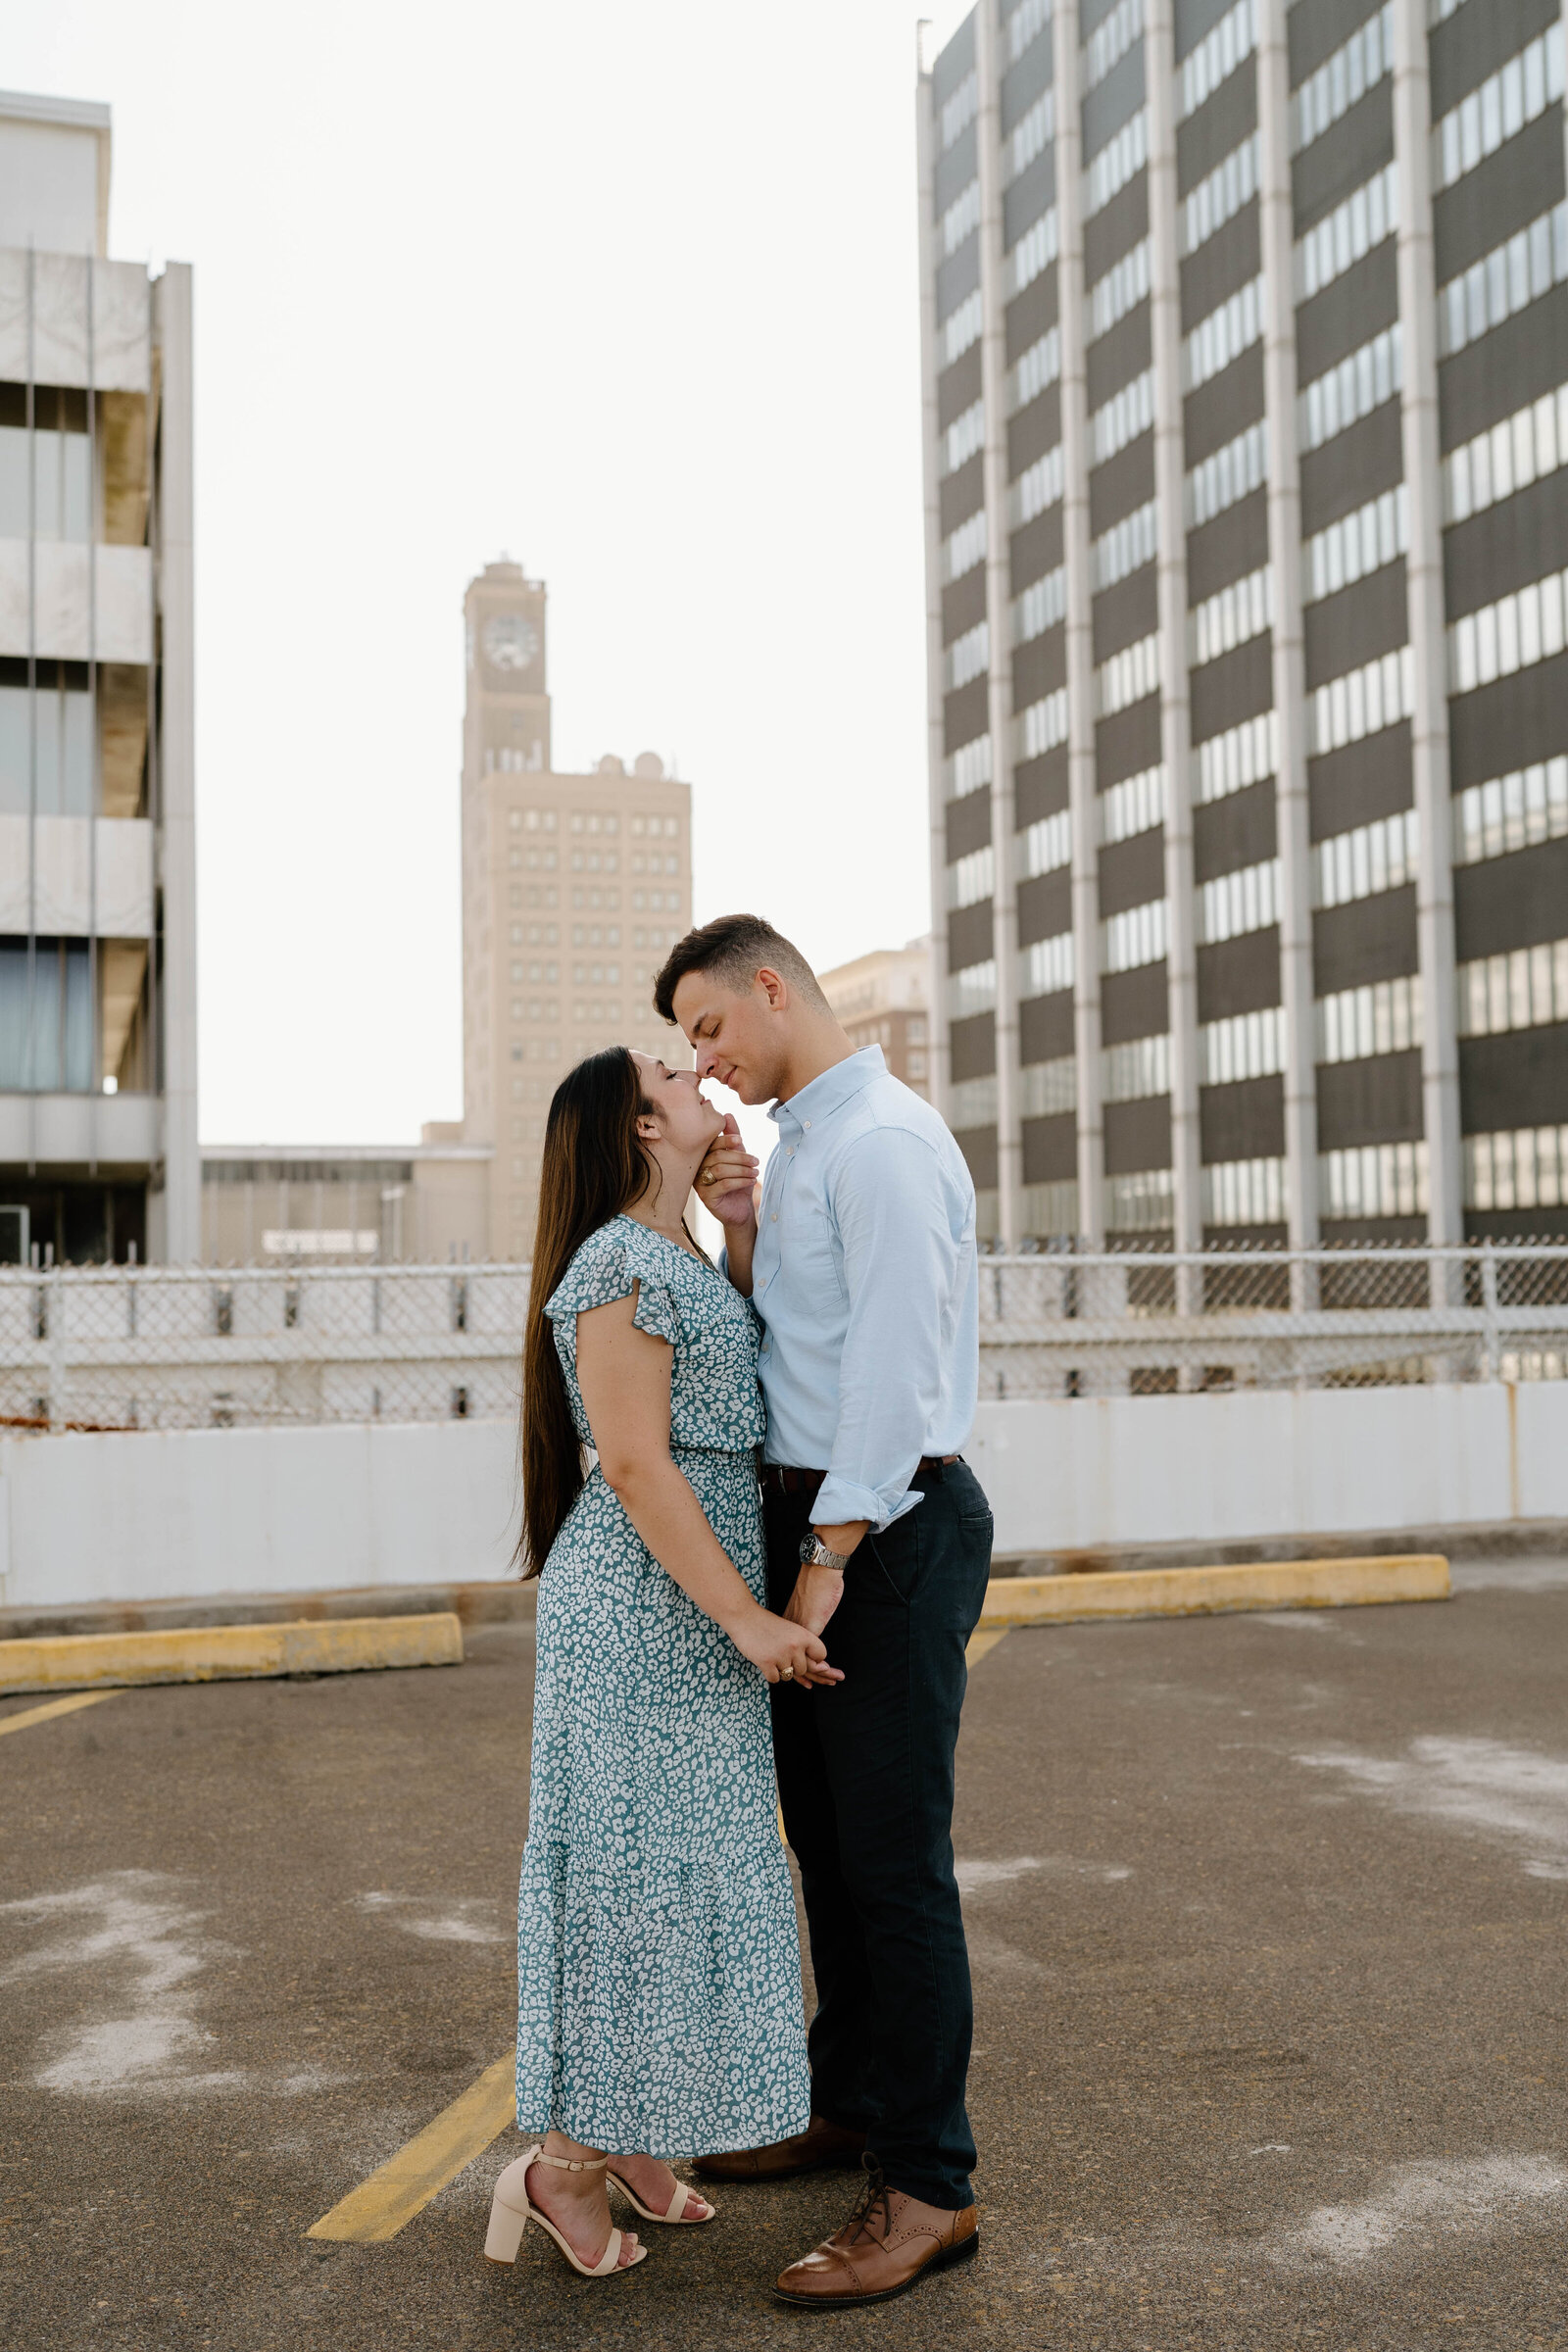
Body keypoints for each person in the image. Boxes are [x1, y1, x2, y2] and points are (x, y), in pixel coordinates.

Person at [655, 913, 994, 2312]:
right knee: (833, 1853)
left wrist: (824, 1562)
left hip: (886, 1530)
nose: (706, 1063)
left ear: (772, 987)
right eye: (692, 1047)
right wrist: (736, 1234)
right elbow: (799, 1345)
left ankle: (929, 2189)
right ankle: (851, 2098)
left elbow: (897, 1385)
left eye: (712, 1028)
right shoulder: (801, 1150)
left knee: (896, 1865)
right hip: (825, 1514)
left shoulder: (883, 1144)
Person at [487, 1045, 838, 2283]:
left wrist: (739, 1222)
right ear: (640, 1128)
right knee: (642, 1888)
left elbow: (738, 1373)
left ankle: (641, 2142)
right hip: (648, 1615)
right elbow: (636, 1463)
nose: (702, 1074)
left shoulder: (677, 1246)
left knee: (697, 1872)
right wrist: (748, 1619)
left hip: (690, 1599)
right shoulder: (616, 1264)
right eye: (672, 1077)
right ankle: (562, 2170)